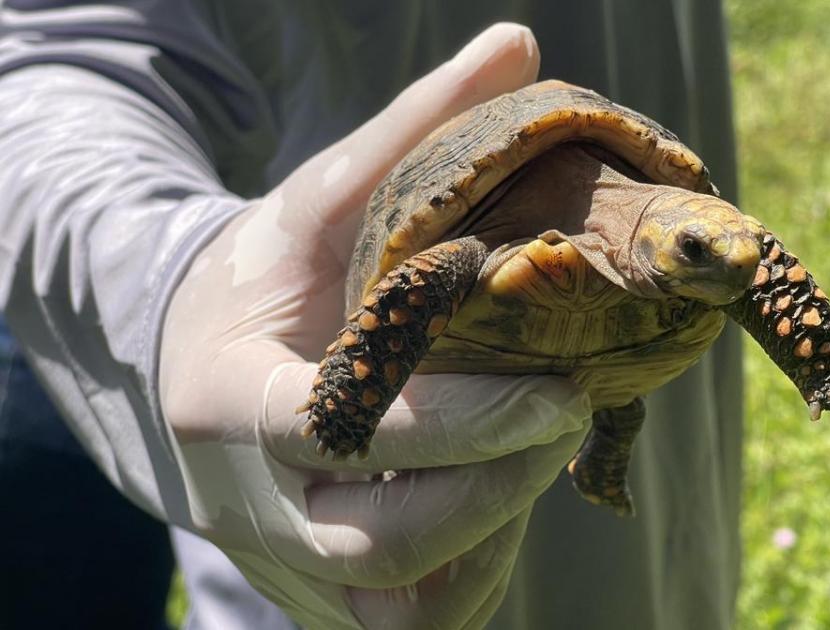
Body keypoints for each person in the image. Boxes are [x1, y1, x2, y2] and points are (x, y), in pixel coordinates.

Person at [0, 2, 743, 628]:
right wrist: (165, 279)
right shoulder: (461, 257)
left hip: (649, 475)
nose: (741, 266)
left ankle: (611, 453)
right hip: (302, 322)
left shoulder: (689, 230)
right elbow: (51, 45)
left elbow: (740, 256)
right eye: (702, 246)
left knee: (623, 452)